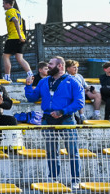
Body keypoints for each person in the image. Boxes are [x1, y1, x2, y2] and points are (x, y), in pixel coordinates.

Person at [25, 56, 84, 185]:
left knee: (72, 151)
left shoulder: (73, 81)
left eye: (51, 64)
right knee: (51, 151)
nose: (49, 66)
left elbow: (80, 102)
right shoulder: (43, 82)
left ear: (60, 66)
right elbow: (32, 98)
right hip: (47, 120)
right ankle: (53, 179)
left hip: (66, 120)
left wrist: (62, 111)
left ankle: (76, 180)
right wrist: (28, 86)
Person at [0, 0, 32, 80]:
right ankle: (30, 74)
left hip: (13, 37)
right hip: (21, 38)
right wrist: (22, 35)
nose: (3, 6)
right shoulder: (17, 11)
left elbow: (15, 21)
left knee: (5, 56)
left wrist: (19, 35)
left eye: (3, 4)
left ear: (7, 4)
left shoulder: (9, 12)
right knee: (19, 58)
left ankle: (7, 77)